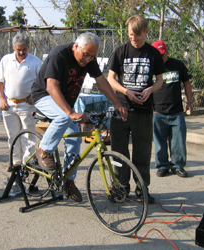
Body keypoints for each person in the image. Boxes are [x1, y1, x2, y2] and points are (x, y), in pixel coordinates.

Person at [31, 32, 127, 202]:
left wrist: (117, 102)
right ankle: (44, 149)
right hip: (43, 96)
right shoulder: (59, 55)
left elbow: (101, 81)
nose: (88, 59)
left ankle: (69, 180)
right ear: (76, 46)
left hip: (64, 102)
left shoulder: (89, 59)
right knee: (64, 117)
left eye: (92, 56)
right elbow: (51, 86)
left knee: (75, 139)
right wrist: (70, 112)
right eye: (85, 55)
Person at [107, 15, 165, 204]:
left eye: (137, 36)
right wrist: (126, 92)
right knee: (119, 152)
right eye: (131, 35)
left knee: (142, 153)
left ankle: (142, 189)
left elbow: (160, 80)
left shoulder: (153, 54)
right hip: (121, 110)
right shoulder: (120, 51)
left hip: (143, 112)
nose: (133, 39)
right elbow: (110, 79)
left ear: (146, 32)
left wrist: (150, 89)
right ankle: (121, 188)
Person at [0, 33, 42, 172]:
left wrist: (34, 96)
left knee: (29, 136)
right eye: (18, 49)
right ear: (13, 47)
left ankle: (27, 163)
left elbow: (43, 82)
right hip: (9, 105)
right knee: (13, 136)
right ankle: (15, 163)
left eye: (24, 49)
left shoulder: (35, 62)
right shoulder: (6, 60)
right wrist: (1, 98)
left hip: (27, 105)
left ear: (28, 47)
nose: (21, 52)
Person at [151, 40, 193, 178]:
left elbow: (187, 83)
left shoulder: (177, 64)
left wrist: (189, 102)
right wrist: (152, 109)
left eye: (162, 54)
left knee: (178, 141)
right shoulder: (150, 68)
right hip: (158, 112)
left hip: (176, 112)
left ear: (167, 51)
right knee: (160, 142)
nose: (161, 57)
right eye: (157, 55)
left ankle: (178, 166)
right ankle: (162, 166)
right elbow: (145, 88)